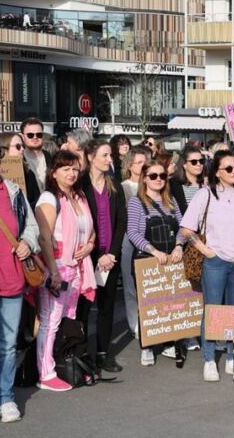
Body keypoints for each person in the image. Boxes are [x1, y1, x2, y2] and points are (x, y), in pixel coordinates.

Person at [0, 131, 40, 422]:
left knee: (5, 346)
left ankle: (4, 397)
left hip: (12, 283)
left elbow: (31, 226)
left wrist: (28, 240)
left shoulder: (13, 190)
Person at [181, 150, 234, 382]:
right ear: (217, 172)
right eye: (229, 168)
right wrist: (206, 251)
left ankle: (231, 359)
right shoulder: (205, 195)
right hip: (215, 261)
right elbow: (187, 229)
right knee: (213, 310)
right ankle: (209, 360)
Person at [35, 150, 95, 393]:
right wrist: (53, 273)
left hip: (77, 269)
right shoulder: (49, 199)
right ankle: (45, 372)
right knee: (50, 322)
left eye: (74, 168)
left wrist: (89, 246)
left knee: (66, 321)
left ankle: (60, 363)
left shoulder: (79, 197)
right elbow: (44, 238)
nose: (71, 173)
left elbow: (90, 232)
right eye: (65, 168)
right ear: (53, 172)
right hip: (57, 268)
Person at [127, 163, 187, 367]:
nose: (158, 179)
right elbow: (133, 232)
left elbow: (183, 227)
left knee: (171, 303)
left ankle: (170, 343)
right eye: (153, 175)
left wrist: (179, 245)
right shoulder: (136, 203)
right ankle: (147, 347)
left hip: (172, 258)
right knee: (148, 306)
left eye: (162, 175)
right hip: (147, 259)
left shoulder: (171, 201)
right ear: (144, 178)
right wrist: (153, 251)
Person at [76, 140, 127, 373]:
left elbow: (121, 222)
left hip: (110, 258)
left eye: (110, 156)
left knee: (107, 308)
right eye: (105, 155)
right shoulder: (80, 185)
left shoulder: (113, 184)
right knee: (84, 309)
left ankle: (104, 353)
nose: (109, 159)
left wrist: (112, 254)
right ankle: (82, 353)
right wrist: (97, 256)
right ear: (90, 156)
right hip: (88, 258)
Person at [120, 146, 150, 338]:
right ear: (130, 165)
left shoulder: (152, 183)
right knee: (130, 284)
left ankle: (150, 321)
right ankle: (135, 324)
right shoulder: (123, 187)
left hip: (150, 237)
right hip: (129, 238)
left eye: (144, 162)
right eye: (138, 162)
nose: (142, 165)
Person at [0, 131, 41, 207]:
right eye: (18, 146)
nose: (22, 149)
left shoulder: (28, 173)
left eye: (23, 146)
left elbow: (37, 201)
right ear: (4, 148)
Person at [171, 145, 206, 215]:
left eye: (201, 161)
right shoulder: (173, 184)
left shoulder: (207, 184)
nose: (199, 164)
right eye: (194, 162)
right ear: (184, 164)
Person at [21, 117, 52, 195]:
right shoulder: (19, 158)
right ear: (22, 137)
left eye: (39, 134)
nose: (35, 137)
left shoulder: (49, 157)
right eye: (30, 135)